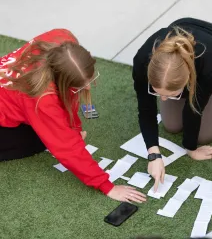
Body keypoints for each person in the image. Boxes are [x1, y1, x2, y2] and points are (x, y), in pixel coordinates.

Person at [0, 29, 146, 203]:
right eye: (79, 86)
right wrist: (107, 186)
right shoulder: (43, 99)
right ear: (60, 81)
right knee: (41, 140)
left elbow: (68, 99)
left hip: (18, 98)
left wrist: (74, 127)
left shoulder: (62, 37)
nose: (89, 88)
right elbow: (67, 148)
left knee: (52, 131)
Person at [133, 17, 212, 190]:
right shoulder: (141, 62)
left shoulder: (207, 65)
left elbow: (194, 108)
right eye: (157, 92)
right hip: (185, 45)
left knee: (204, 136)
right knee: (172, 125)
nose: (163, 99)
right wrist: (153, 154)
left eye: (171, 94)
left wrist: (191, 148)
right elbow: (146, 108)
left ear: (187, 80)